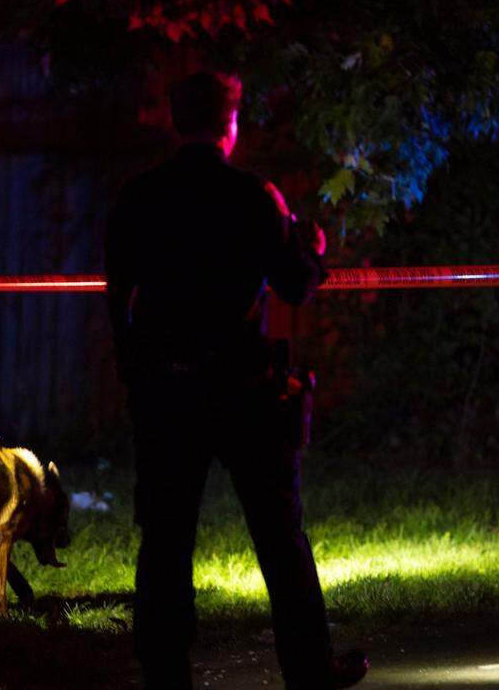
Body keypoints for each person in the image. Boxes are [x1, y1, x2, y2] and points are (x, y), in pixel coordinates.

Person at [106, 71, 368, 689]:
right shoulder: (253, 196)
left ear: (176, 121)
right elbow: (295, 284)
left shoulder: (139, 197)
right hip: (243, 387)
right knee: (279, 536)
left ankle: (164, 673)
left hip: (167, 387)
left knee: (165, 539)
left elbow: (118, 296)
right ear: (229, 125)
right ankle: (309, 668)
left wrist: (134, 372)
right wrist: (312, 248)